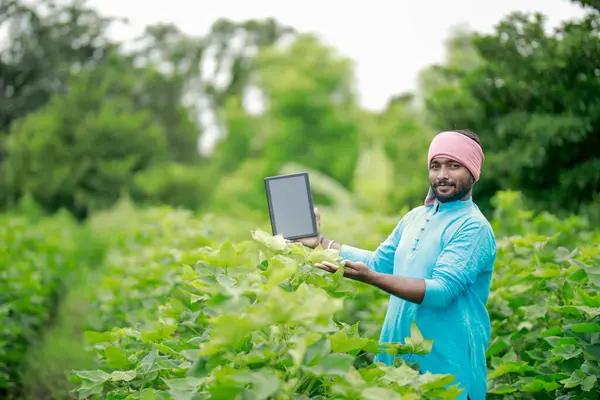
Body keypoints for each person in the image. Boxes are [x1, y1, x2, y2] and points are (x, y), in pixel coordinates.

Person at [299, 129, 496, 400]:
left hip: (447, 372)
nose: (442, 175)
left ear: (473, 171)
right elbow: (380, 262)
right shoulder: (415, 217)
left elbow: (440, 292)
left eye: (454, 165)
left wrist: (372, 279)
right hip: (397, 363)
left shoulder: (473, 227)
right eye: (435, 166)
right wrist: (322, 243)